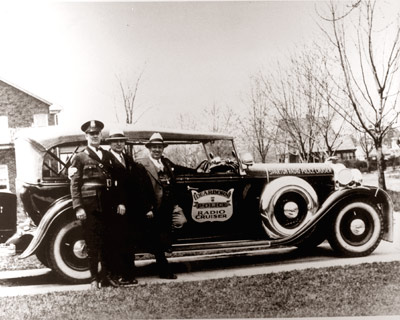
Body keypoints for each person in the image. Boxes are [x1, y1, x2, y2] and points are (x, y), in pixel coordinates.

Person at [69, 120, 118, 290]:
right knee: (92, 244)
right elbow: (74, 185)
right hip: (90, 208)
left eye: (97, 133)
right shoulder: (80, 157)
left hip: (108, 206)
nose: (95, 136)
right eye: (91, 134)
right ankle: (93, 279)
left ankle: (106, 277)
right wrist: (78, 207)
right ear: (86, 136)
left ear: (101, 135)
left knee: (108, 243)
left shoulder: (107, 156)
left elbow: (116, 178)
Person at [137, 132, 193, 279]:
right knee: (157, 236)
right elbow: (141, 189)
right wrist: (147, 208)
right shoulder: (142, 165)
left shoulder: (166, 163)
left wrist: (198, 171)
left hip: (171, 204)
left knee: (181, 222)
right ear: (149, 148)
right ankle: (164, 269)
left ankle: (167, 243)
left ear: (163, 149)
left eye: (159, 147)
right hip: (156, 206)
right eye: (154, 147)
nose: (157, 150)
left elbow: (180, 169)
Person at [106, 129, 155, 286]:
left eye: (121, 141)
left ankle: (129, 274)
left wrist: (145, 206)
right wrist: (118, 202)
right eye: (115, 141)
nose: (119, 143)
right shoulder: (107, 160)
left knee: (128, 242)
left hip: (130, 208)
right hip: (116, 208)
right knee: (117, 241)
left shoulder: (128, 159)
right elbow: (109, 185)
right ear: (110, 143)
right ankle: (119, 274)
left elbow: (136, 184)